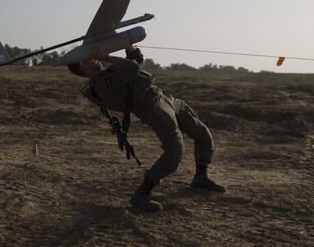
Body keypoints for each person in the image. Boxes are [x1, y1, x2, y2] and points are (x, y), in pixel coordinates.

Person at [68, 46, 225, 212]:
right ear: (83, 67)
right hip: (152, 108)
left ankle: (201, 177)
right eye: (89, 58)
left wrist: (130, 49)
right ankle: (142, 193)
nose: (95, 58)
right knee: (175, 151)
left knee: (202, 133)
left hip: (163, 99)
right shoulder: (100, 85)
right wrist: (107, 56)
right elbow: (133, 68)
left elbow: (135, 62)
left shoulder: (105, 75)